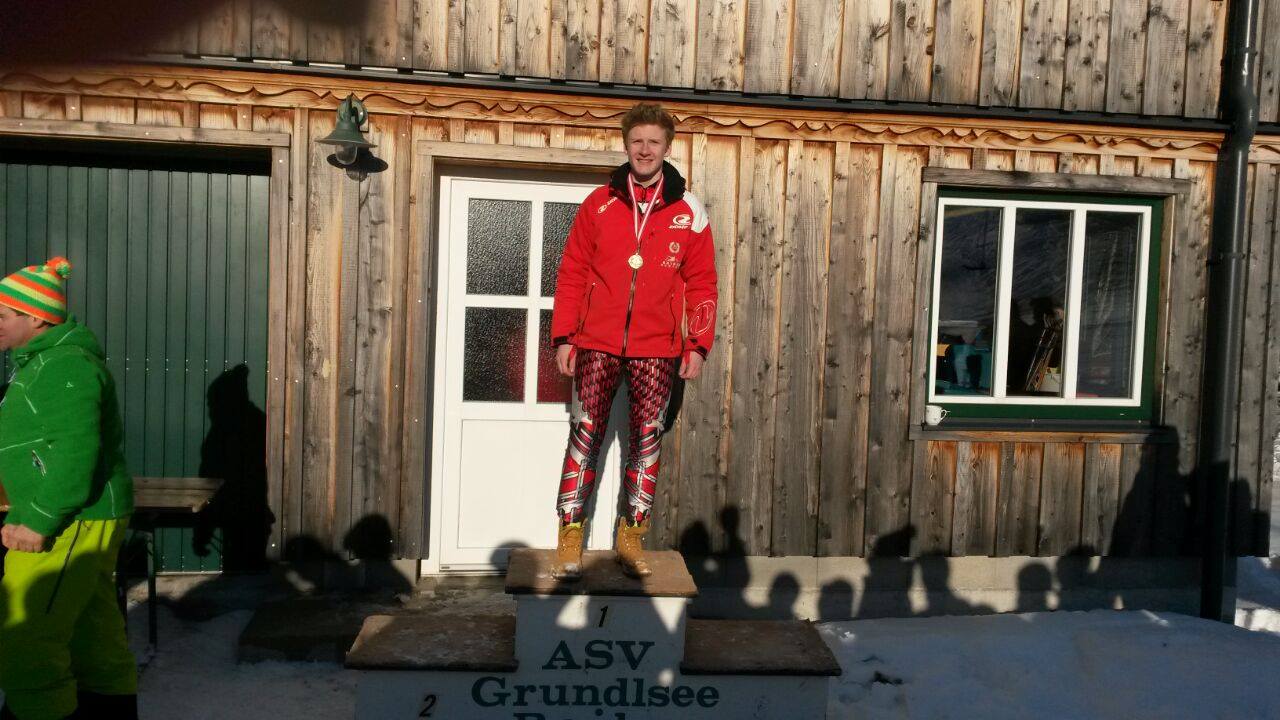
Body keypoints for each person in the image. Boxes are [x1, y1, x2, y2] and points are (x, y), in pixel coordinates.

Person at [549, 103, 718, 579]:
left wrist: (697, 344)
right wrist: (564, 337)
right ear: (626, 145)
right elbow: (572, 272)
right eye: (637, 141)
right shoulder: (598, 203)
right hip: (596, 343)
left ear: (667, 147)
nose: (645, 150)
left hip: (658, 349)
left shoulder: (689, 211)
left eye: (654, 142)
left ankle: (631, 537)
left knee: (647, 442)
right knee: (584, 436)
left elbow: (703, 282)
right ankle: (569, 534)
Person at [0, 257, 137, 720]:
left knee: (24, 638)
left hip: (69, 518)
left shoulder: (63, 365)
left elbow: (76, 449)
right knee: (91, 637)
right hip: (70, 514)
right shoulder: (42, 363)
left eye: (3, 315)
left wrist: (38, 520)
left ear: (36, 318)